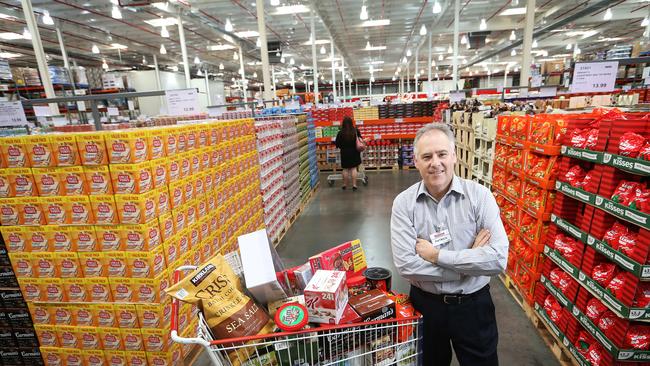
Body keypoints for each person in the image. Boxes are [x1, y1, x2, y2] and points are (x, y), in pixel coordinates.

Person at [390, 123, 508, 366]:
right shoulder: (404, 204)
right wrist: (470, 261)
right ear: (416, 161)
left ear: (454, 156)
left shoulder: (480, 196)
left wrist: (436, 256)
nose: (435, 162)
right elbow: (406, 265)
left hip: (473, 306)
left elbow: (497, 259)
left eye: (442, 154)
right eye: (427, 156)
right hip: (426, 307)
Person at [334, 117, 363, 191]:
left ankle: (344, 184)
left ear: (343, 124)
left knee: (345, 169)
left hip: (344, 152)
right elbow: (360, 140)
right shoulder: (356, 131)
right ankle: (354, 185)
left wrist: (342, 147)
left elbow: (337, 144)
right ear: (351, 123)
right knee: (353, 168)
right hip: (354, 152)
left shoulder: (340, 132)